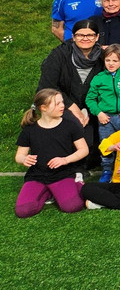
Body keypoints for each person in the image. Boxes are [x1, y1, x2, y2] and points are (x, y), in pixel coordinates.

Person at [14, 89, 88, 218]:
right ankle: (49, 192)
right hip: (37, 175)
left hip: (63, 174)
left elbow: (83, 150)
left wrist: (65, 160)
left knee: (72, 206)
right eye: (57, 103)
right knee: (23, 211)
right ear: (43, 107)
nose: (62, 106)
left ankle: (76, 183)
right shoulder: (30, 130)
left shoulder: (70, 126)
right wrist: (24, 159)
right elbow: (19, 155)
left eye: (62, 102)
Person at [38, 19, 104, 150]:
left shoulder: (104, 57)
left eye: (90, 35)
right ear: (73, 37)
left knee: (90, 144)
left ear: (97, 37)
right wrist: (73, 108)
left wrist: (91, 110)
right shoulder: (59, 55)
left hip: (93, 105)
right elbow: (47, 86)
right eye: (80, 35)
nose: (85, 38)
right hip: (63, 103)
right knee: (74, 127)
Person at [85, 44, 120, 182]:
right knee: (107, 144)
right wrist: (98, 113)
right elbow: (90, 98)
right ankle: (107, 170)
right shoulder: (99, 78)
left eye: (115, 61)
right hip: (106, 118)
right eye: (108, 60)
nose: (111, 64)